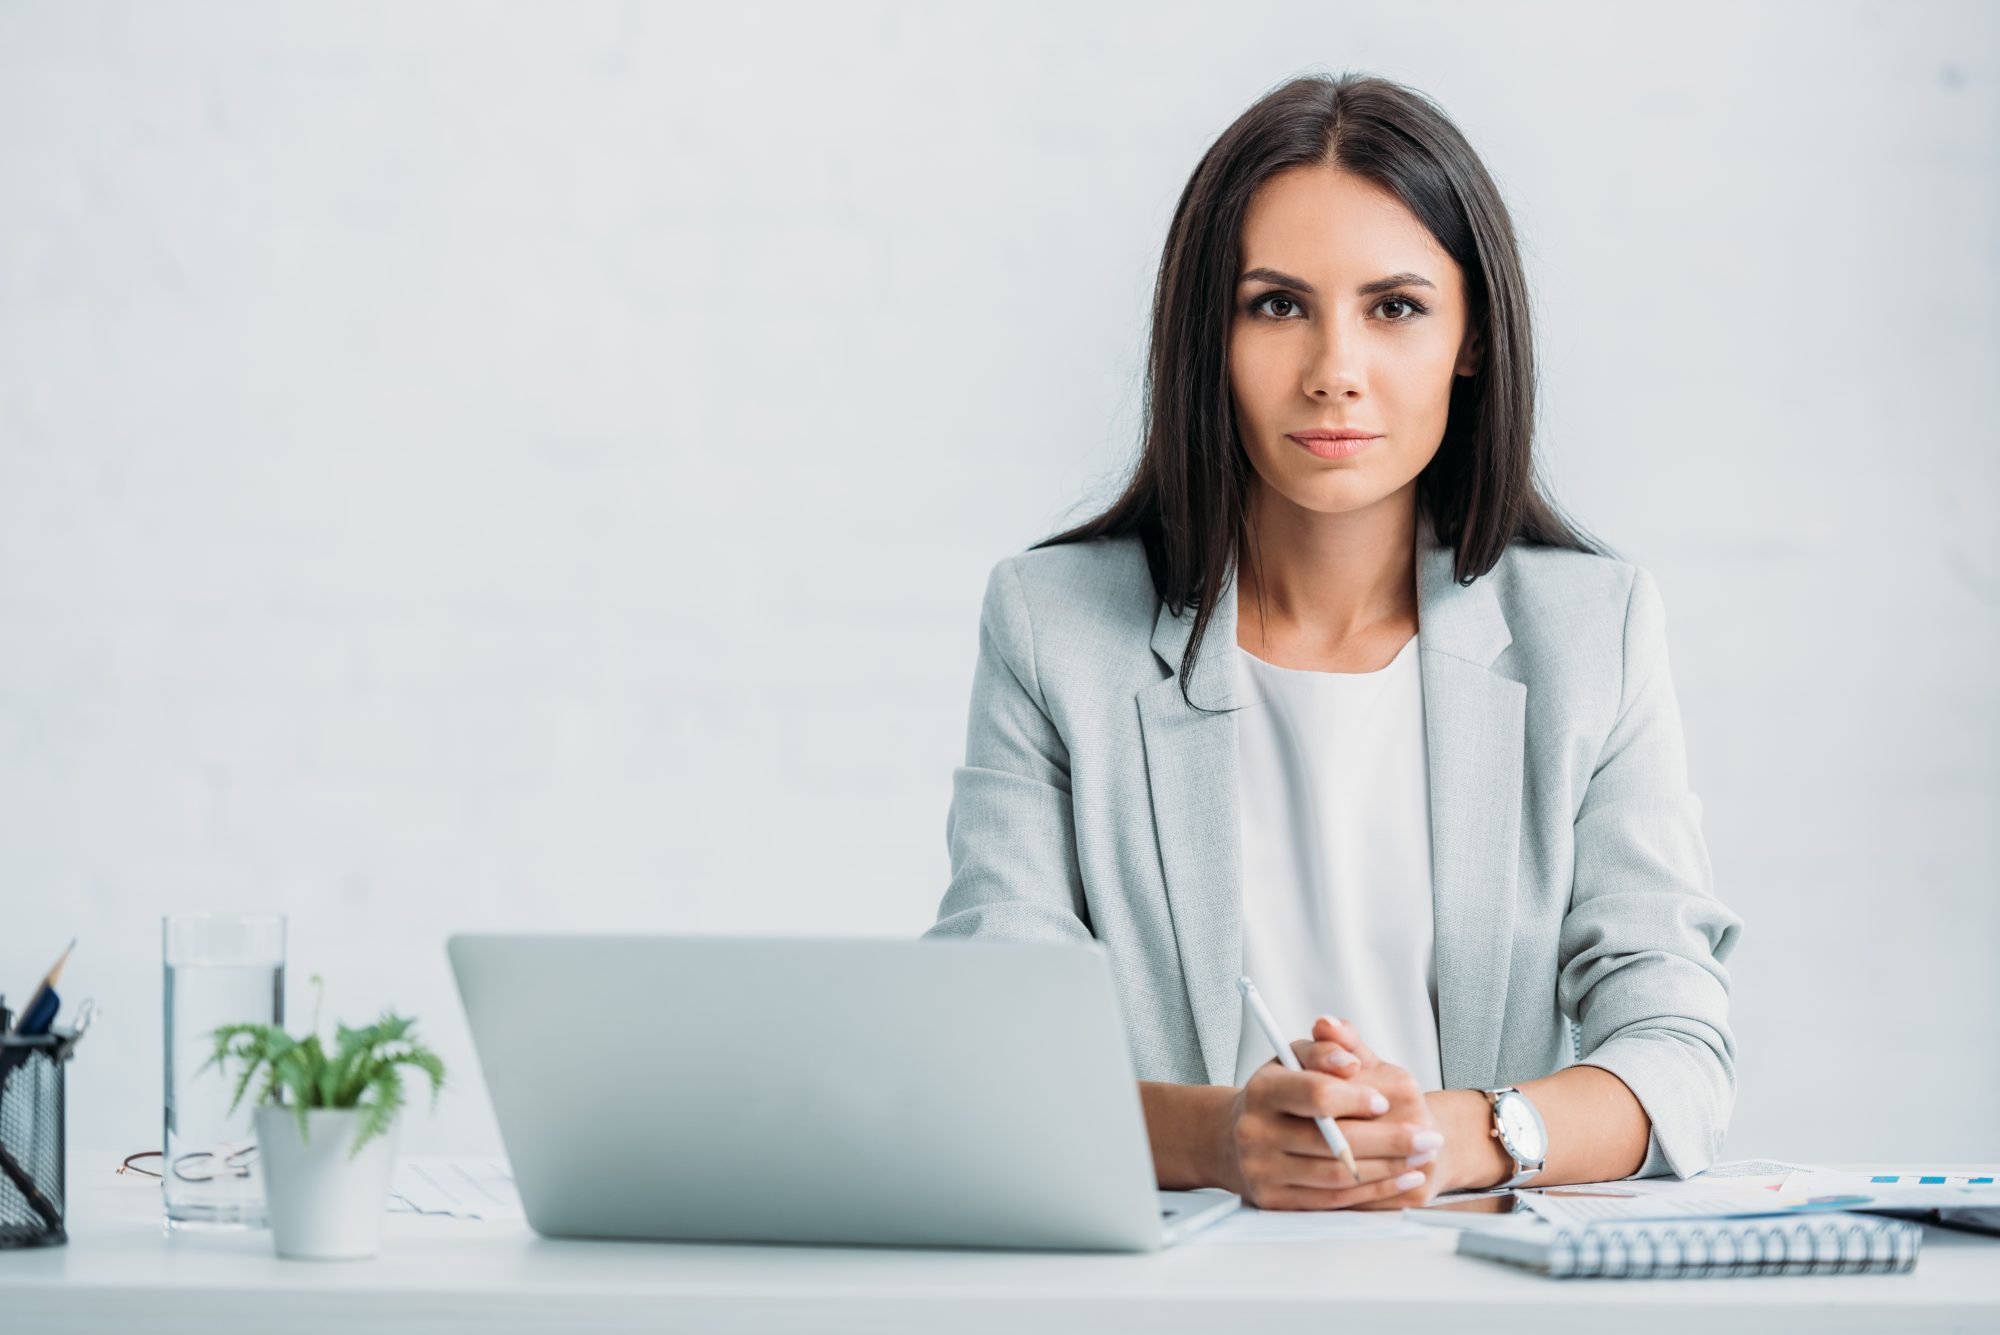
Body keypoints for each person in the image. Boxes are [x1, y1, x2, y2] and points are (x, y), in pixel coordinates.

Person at [923, 72, 1744, 1211]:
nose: (1332, 370)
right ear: (1205, 334)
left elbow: (1676, 1046)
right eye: (1274, 304)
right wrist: (1222, 1139)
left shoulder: (1589, 634)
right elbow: (987, 1048)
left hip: (1472, 1283)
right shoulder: (1052, 628)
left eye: (1394, 307)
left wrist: (1465, 1133)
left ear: (1470, 339)